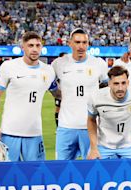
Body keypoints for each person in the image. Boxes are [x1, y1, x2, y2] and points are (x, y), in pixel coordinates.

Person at [0, 31, 58, 161]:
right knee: (6, 177)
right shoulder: (9, 67)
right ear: (23, 47)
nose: (34, 49)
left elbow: (58, 95)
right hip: (9, 132)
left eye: (38, 45)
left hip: (35, 133)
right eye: (30, 45)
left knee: (36, 176)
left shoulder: (48, 71)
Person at [52, 28, 108, 160]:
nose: (81, 46)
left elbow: (106, 87)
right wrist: (59, 95)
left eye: (85, 42)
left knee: (91, 170)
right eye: (77, 42)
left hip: (91, 127)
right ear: (70, 43)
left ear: (88, 44)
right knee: (60, 170)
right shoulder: (58, 64)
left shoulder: (98, 63)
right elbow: (50, 86)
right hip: (65, 127)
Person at [87, 66, 131, 159]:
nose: (120, 88)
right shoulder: (96, 97)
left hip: (128, 145)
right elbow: (91, 120)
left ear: (128, 83)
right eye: (116, 83)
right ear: (109, 84)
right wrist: (93, 148)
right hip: (103, 146)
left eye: (123, 83)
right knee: (94, 171)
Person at [54, 52, 67, 127]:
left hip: (69, 94)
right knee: (58, 109)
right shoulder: (56, 69)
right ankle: (57, 126)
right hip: (60, 94)